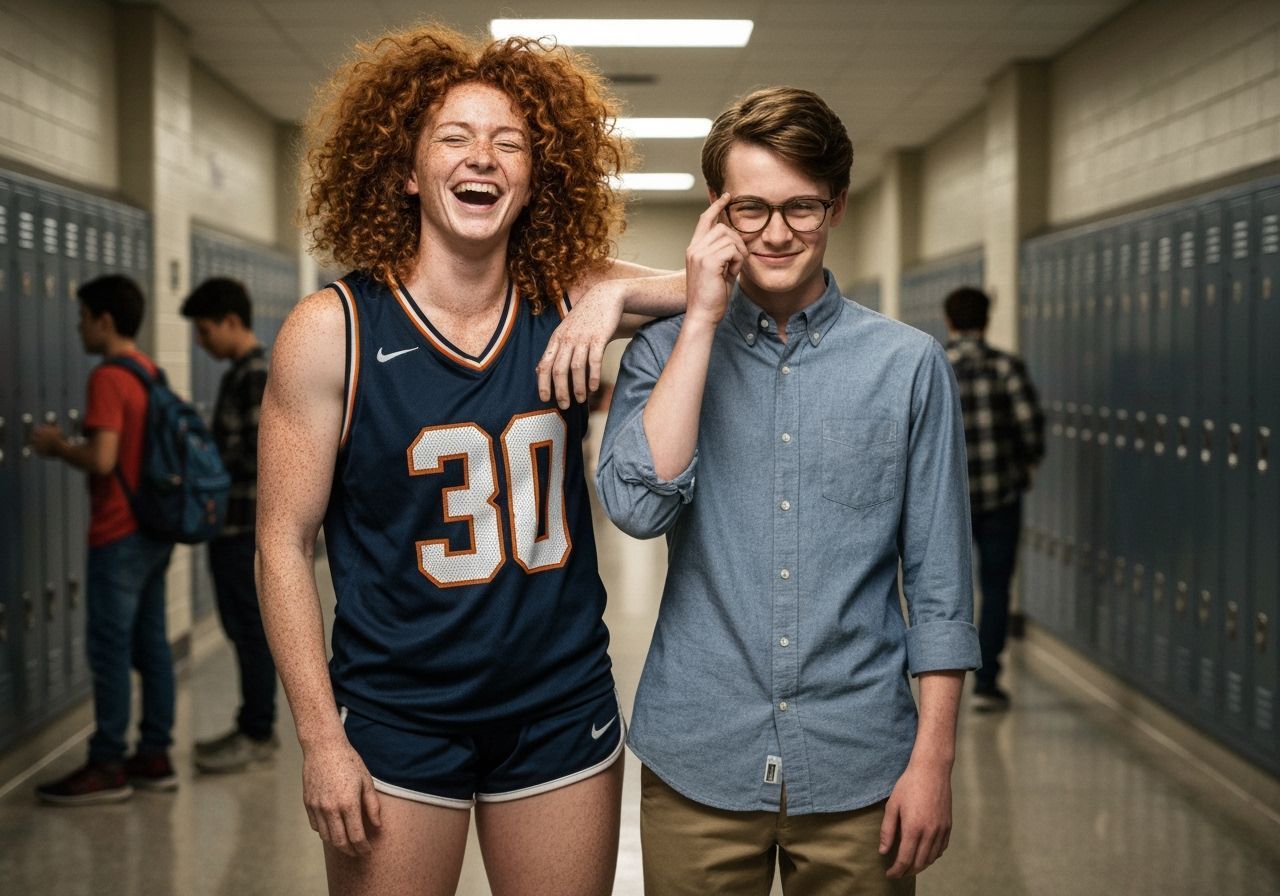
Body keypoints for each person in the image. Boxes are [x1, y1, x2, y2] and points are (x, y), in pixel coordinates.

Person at [255, 24, 682, 896]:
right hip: (396, 712)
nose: (482, 156)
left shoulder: (565, 296)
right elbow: (280, 544)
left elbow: (724, 283)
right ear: (408, 171)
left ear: (535, 180)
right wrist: (320, 739)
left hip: (558, 703)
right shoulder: (331, 331)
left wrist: (610, 299)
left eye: (509, 143)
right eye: (454, 137)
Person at [597, 87, 981, 894]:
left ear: (835, 205)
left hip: (860, 761)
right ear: (717, 211)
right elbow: (636, 508)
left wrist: (934, 760)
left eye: (801, 206)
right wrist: (700, 319)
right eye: (751, 208)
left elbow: (940, 584)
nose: (776, 233)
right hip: (700, 755)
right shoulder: (662, 352)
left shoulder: (908, 366)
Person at [31, 275, 178, 804]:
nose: (79, 328)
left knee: (110, 650)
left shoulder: (109, 379)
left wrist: (56, 446)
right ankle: (155, 755)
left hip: (118, 533)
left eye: (84, 318)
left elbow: (102, 458)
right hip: (154, 529)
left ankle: (108, 762)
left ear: (105, 321)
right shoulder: (150, 371)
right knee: (152, 645)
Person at [180, 277, 278, 770]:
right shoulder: (241, 373)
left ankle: (257, 732)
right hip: (231, 526)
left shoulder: (254, 376)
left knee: (251, 631)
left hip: (244, 528)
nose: (201, 342)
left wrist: (205, 460)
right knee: (242, 630)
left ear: (231, 322)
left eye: (205, 330)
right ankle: (250, 725)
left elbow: (260, 455)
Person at [944, 286, 1045, 710]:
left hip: (946, 502)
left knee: (944, 592)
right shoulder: (1006, 367)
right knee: (996, 588)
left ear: (948, 321)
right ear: (986, 321)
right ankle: (986, 684)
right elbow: (1030, 427)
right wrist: (1025, 463)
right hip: (1000, 497)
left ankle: (943, 684)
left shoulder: (934, 363)